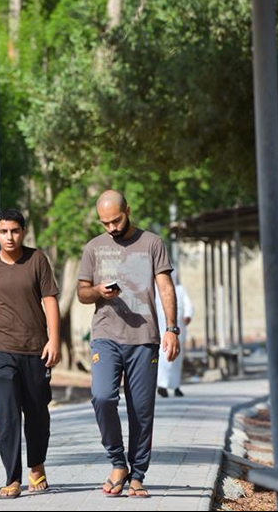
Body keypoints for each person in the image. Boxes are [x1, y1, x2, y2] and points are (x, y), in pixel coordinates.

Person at [76, 190, 179, 499]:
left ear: (128, 211)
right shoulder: (94, 247)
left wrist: (171, 329)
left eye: (116, 220)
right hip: (105, 335)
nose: (112, 227)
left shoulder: (152, 243)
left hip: (144, 338)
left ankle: (138, 476)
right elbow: (81, 293)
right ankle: (117, 462)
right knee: (102, 397)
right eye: (105, 223)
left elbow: (165, 286)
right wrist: (98, 291)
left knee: (141, 410)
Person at [0, 208, 61, 499]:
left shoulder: (37, 260)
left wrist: (54, 340)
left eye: (14, 231)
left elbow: (50, 300)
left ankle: (37, 465)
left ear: (23, 232)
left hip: (35, 348)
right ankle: (12, 478)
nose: (9, 237)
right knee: (7, 415)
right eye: (3, 231)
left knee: (37, 413)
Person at [156, 270, 194, 397]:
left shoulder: (181, 290)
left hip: (177, 330)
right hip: (161, 329)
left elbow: (189, 306)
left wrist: (187, 316)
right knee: (163, 358)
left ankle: (176, 386)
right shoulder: (156, 289)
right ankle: (162, 385)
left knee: (176, 358)